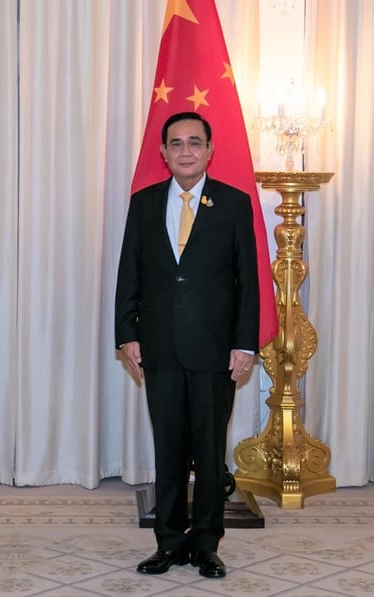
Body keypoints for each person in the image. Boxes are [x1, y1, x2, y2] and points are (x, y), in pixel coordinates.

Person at [114, 111, 258, 578]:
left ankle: (207, 545)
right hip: (158, 348)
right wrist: (127, 333)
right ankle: (169, 542)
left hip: (216, 351)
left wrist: (245, 343)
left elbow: (248, 282)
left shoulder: (235, 205)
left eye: (195, 143)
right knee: (169, 448)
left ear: (210, 151)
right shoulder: (144, 203)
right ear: (164, 153)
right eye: (176, 144)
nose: (185, 151)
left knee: (210, 449)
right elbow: (128, 274)